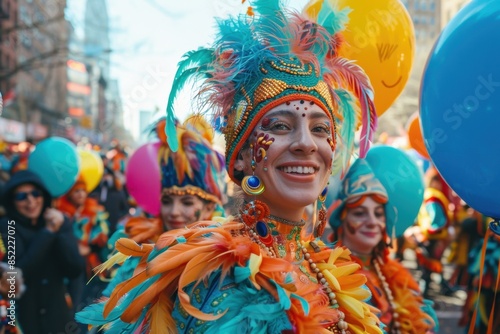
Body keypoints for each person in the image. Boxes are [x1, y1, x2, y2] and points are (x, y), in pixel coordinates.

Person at [77, 0, 384, 332]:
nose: (306, 143)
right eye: (280, 126)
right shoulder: (202, 278)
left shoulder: (328, 269)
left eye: (321, 129)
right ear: (239, 157)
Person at [329, 159, 438, 333]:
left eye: (378, 214)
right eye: (360, 213)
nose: (372, 222)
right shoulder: (328, 275)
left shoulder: (392, 273)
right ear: (342, 219)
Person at [0, 170, 84, 334]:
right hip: (23, 319)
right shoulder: (6, 226)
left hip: (58, 317)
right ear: (12, 201)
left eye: (35, 193)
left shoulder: (59, 220)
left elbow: (75, 268)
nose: (31, 201)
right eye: (21, 196)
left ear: (44, 196)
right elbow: (17, 273)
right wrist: (48, 233)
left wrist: (59, 231)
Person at [56, 176, 110, 312]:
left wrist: (89, 247)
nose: (81, 194)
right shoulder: (62, 214)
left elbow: (103, 238)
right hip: (70, 266)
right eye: (76, 191)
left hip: (92, 264)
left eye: (83, 190)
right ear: (69, 194)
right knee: (74, 302)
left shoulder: (95, 210)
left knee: (92, 299)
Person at [89, 166, 129, 234]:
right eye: (103, 176)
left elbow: (125, 209)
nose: (105, 178)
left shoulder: (119, 192)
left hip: (114, 226)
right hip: (99, 229)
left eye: (107, 175)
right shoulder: (96, 192)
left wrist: (118, 217)